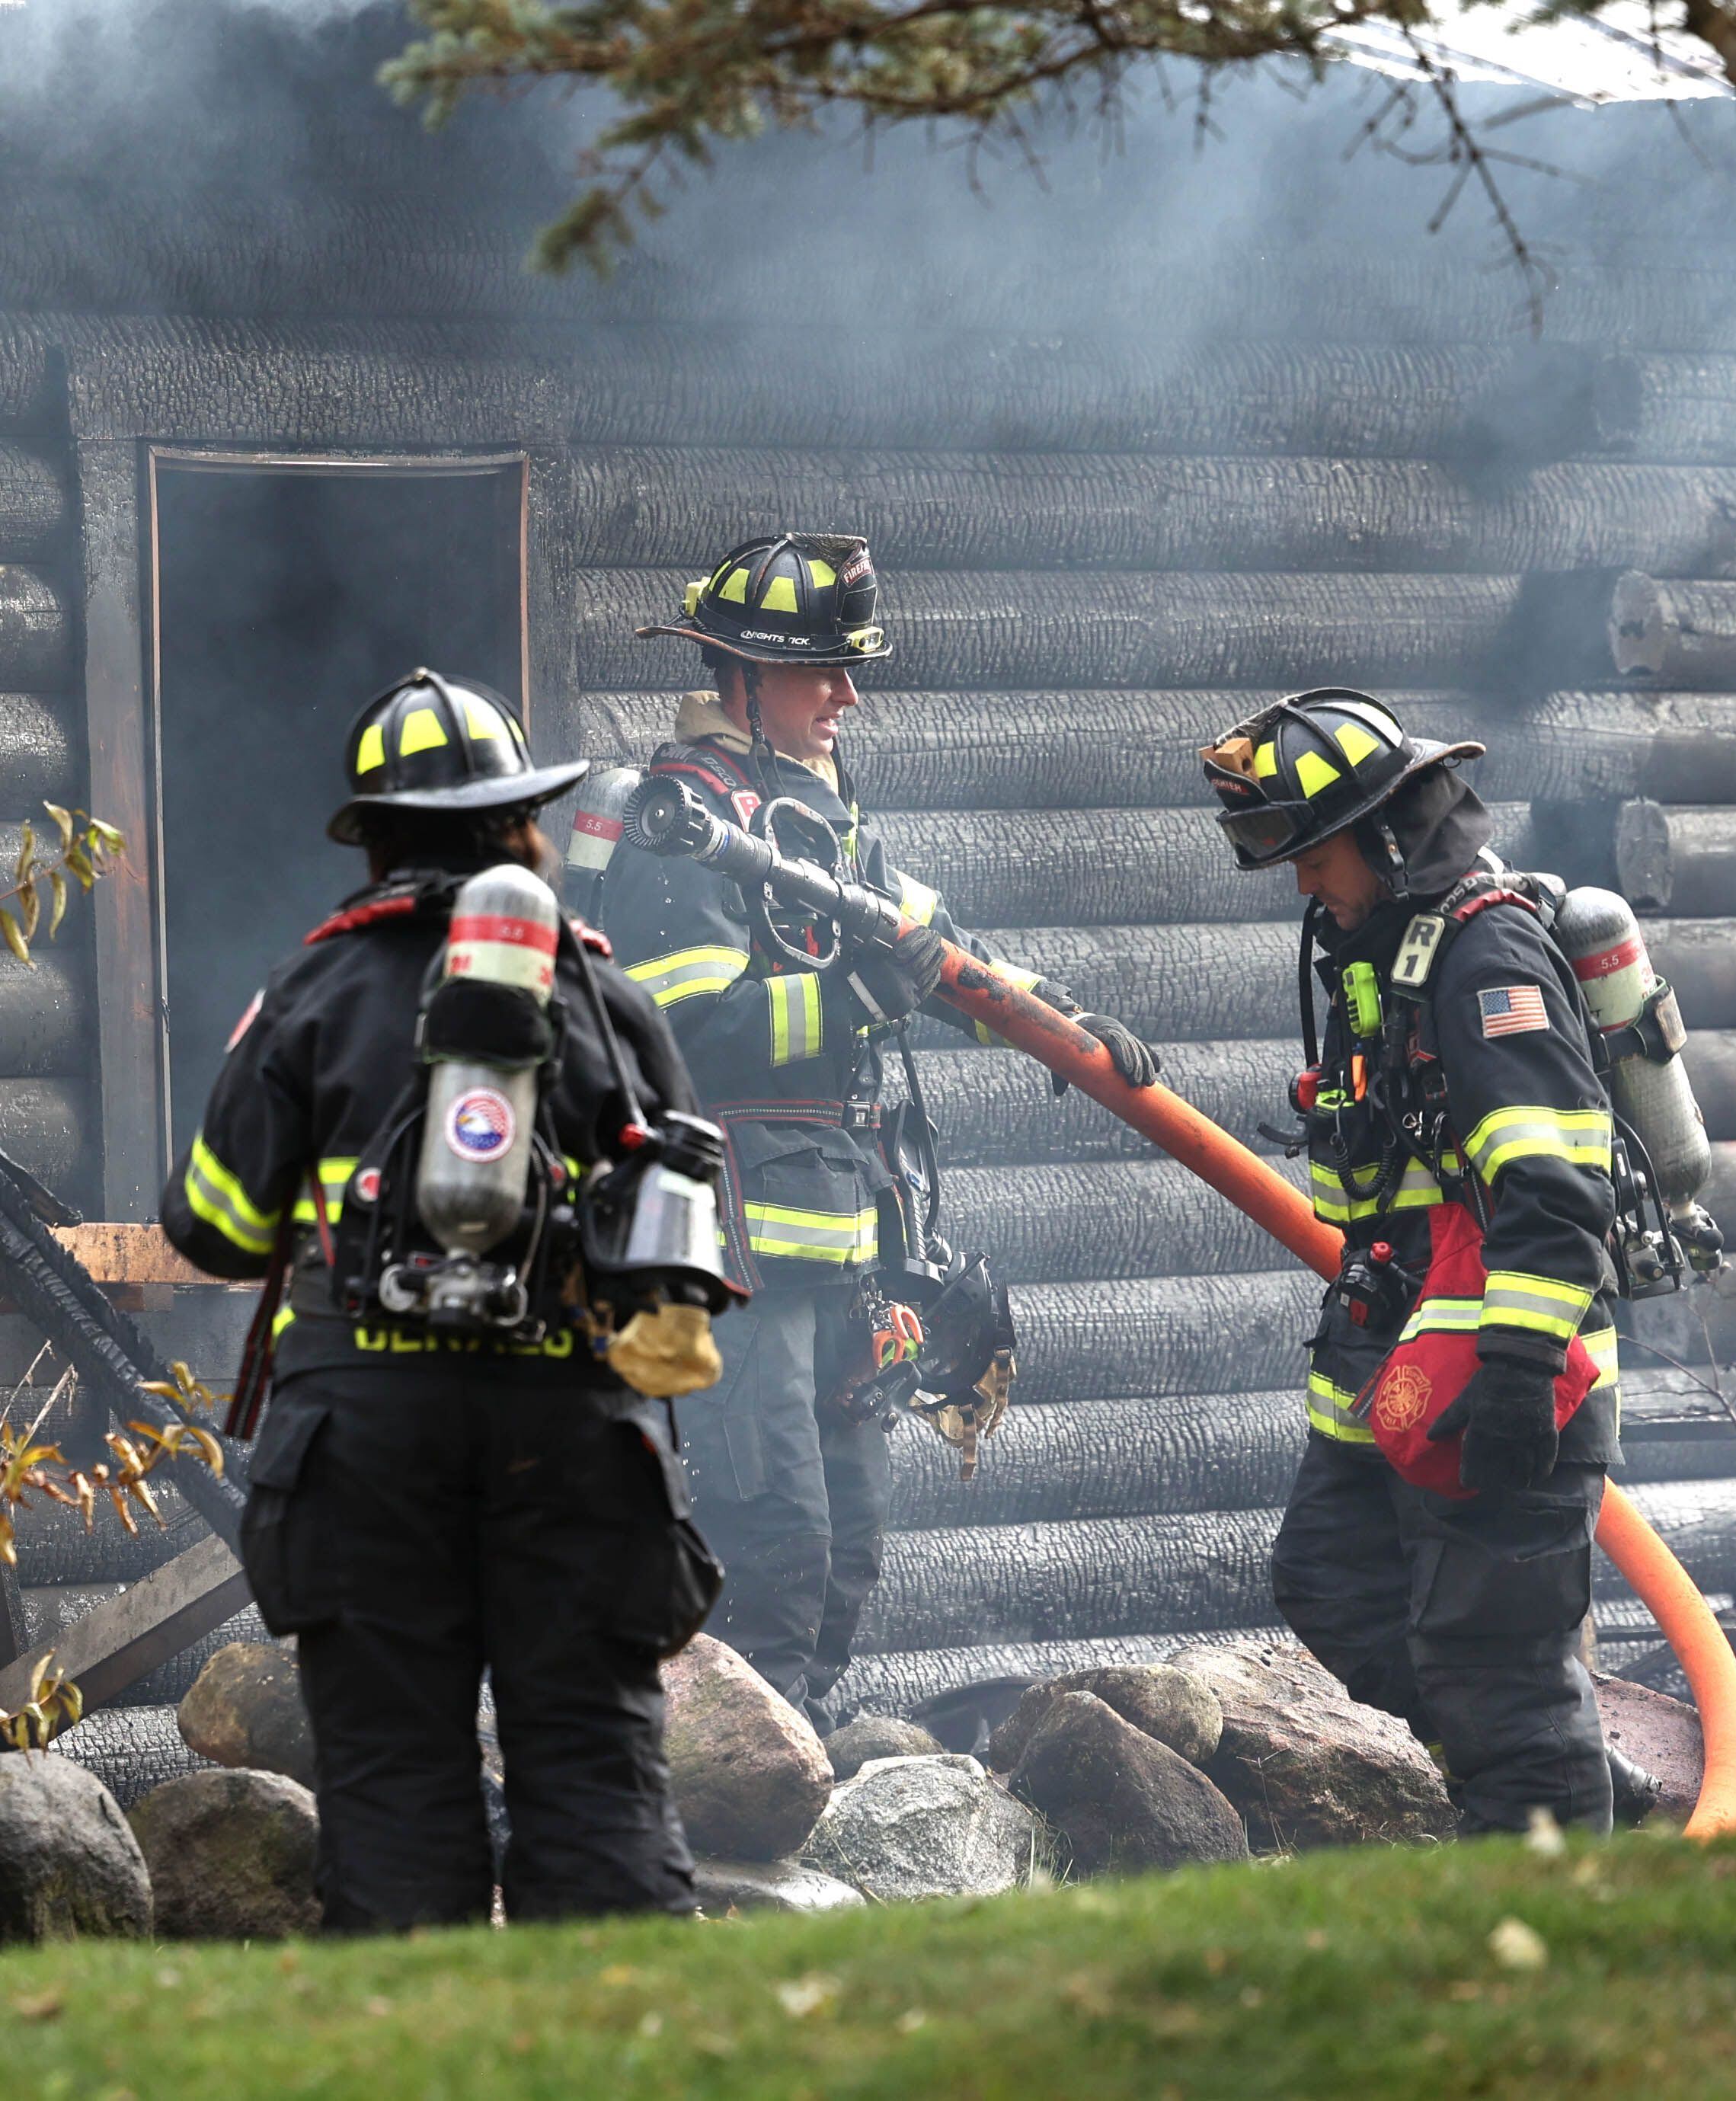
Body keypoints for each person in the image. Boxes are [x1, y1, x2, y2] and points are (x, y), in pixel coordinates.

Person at [161, 668, 710, 1930]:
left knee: (397, 1779)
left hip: (363, 1440)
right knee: (593, 1768)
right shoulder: (603, 995)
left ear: (379, 836)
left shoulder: (306, 992)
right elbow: (684, 1236)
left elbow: (217, 1227)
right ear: (520, 822)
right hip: (572, 1429)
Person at [596, 532, 1160, 1723]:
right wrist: (855, 997)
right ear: (741, 677)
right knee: (775, 1546)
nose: (849, 696)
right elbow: (685, 1030)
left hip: (843, 1247)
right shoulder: (676, 826)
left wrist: (1064, 1025)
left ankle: (791, 1794)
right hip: (729, 1254)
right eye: (823, 673)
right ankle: (729, 1816)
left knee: (848, 1548)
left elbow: (944, 963)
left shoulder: (825, 819)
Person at [1201, 688, 1623, 1834]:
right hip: (1396, 1359)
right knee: (1330, 1579)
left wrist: (1518, 1373)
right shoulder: (1378, 951)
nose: (1300, 885)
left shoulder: (1486, 956)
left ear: (1385, 833)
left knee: (1503, 1683)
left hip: (1503, 1375)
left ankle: (1558, 1922)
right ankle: (1566, 1785)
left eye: (1314, 854)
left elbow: (1555, 1179)